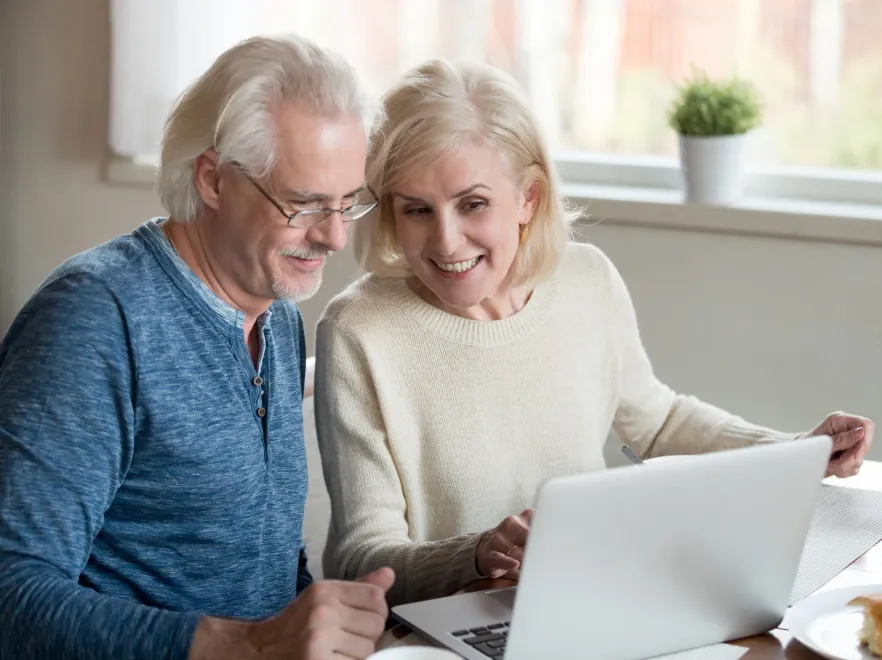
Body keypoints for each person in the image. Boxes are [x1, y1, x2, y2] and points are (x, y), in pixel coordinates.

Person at [313, 59, 875, 608]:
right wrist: (478, 554)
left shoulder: (587, 280)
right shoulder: (360, 330)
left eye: (474, 204)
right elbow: (363, 558)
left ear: (528, 199)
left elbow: (659, 422)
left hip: (599, 602)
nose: (447, 240)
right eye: (417, 210)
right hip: (449, 634)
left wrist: (794, 452)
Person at [0, 35, 394, 660]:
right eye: (305, 204)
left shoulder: (277, 314)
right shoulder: (94, 318)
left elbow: (261, 563)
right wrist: (248, 646)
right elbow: (11, 594)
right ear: (213, 179)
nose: (336, 237)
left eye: (349, 203)